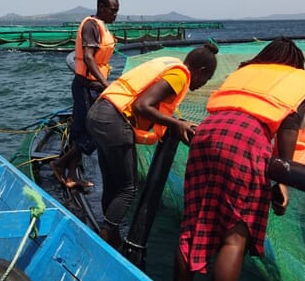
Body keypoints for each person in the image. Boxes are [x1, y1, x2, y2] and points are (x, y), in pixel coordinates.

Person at [173, 36, 305, 281]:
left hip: (207, 132)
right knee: (234, 238)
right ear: (294, 64)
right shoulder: (299, 80)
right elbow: (289, 128)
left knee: (193, 224)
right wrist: (282, 180)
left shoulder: (244, 72)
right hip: (246, 139)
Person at [86, 42, 219, 249]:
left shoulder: (170, 65)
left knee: (113, 184)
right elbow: (142, 105)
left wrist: (171, 120)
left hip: (99, 113)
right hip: (114, 120)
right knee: (128, 189)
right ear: (201, 71)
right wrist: (177, 123)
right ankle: (103, 241)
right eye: (207, 79)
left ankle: (111, 238)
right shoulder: (180, 76)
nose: (203, 84)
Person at [51, 0, 120, 189]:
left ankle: (72, 175)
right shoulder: (91, 25)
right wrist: (106, 84)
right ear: (101, 7)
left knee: (80, 130)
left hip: (92, 86)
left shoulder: (101, 27)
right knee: (95, 130)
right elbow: (89, 58)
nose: (116, 15)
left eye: (117, 11)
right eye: (113, 10)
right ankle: (59, 163)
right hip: (86, 87)